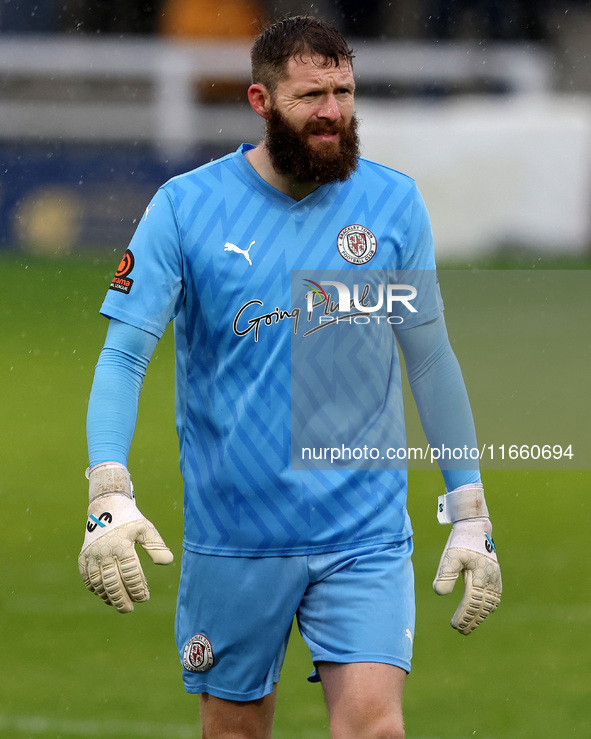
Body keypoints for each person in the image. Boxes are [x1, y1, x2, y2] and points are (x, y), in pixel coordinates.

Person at [79, 15, 502, 738]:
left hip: (362, 528)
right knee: (235, 729)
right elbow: (123, 354)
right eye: (311, 96)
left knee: (375, 727)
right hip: (235, 533)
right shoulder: (185, 207)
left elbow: (428, 356)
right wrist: (107, 491)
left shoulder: (392, 203)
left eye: (342, 92)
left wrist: (469, 509)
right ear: (259, 100)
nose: (332, 112)